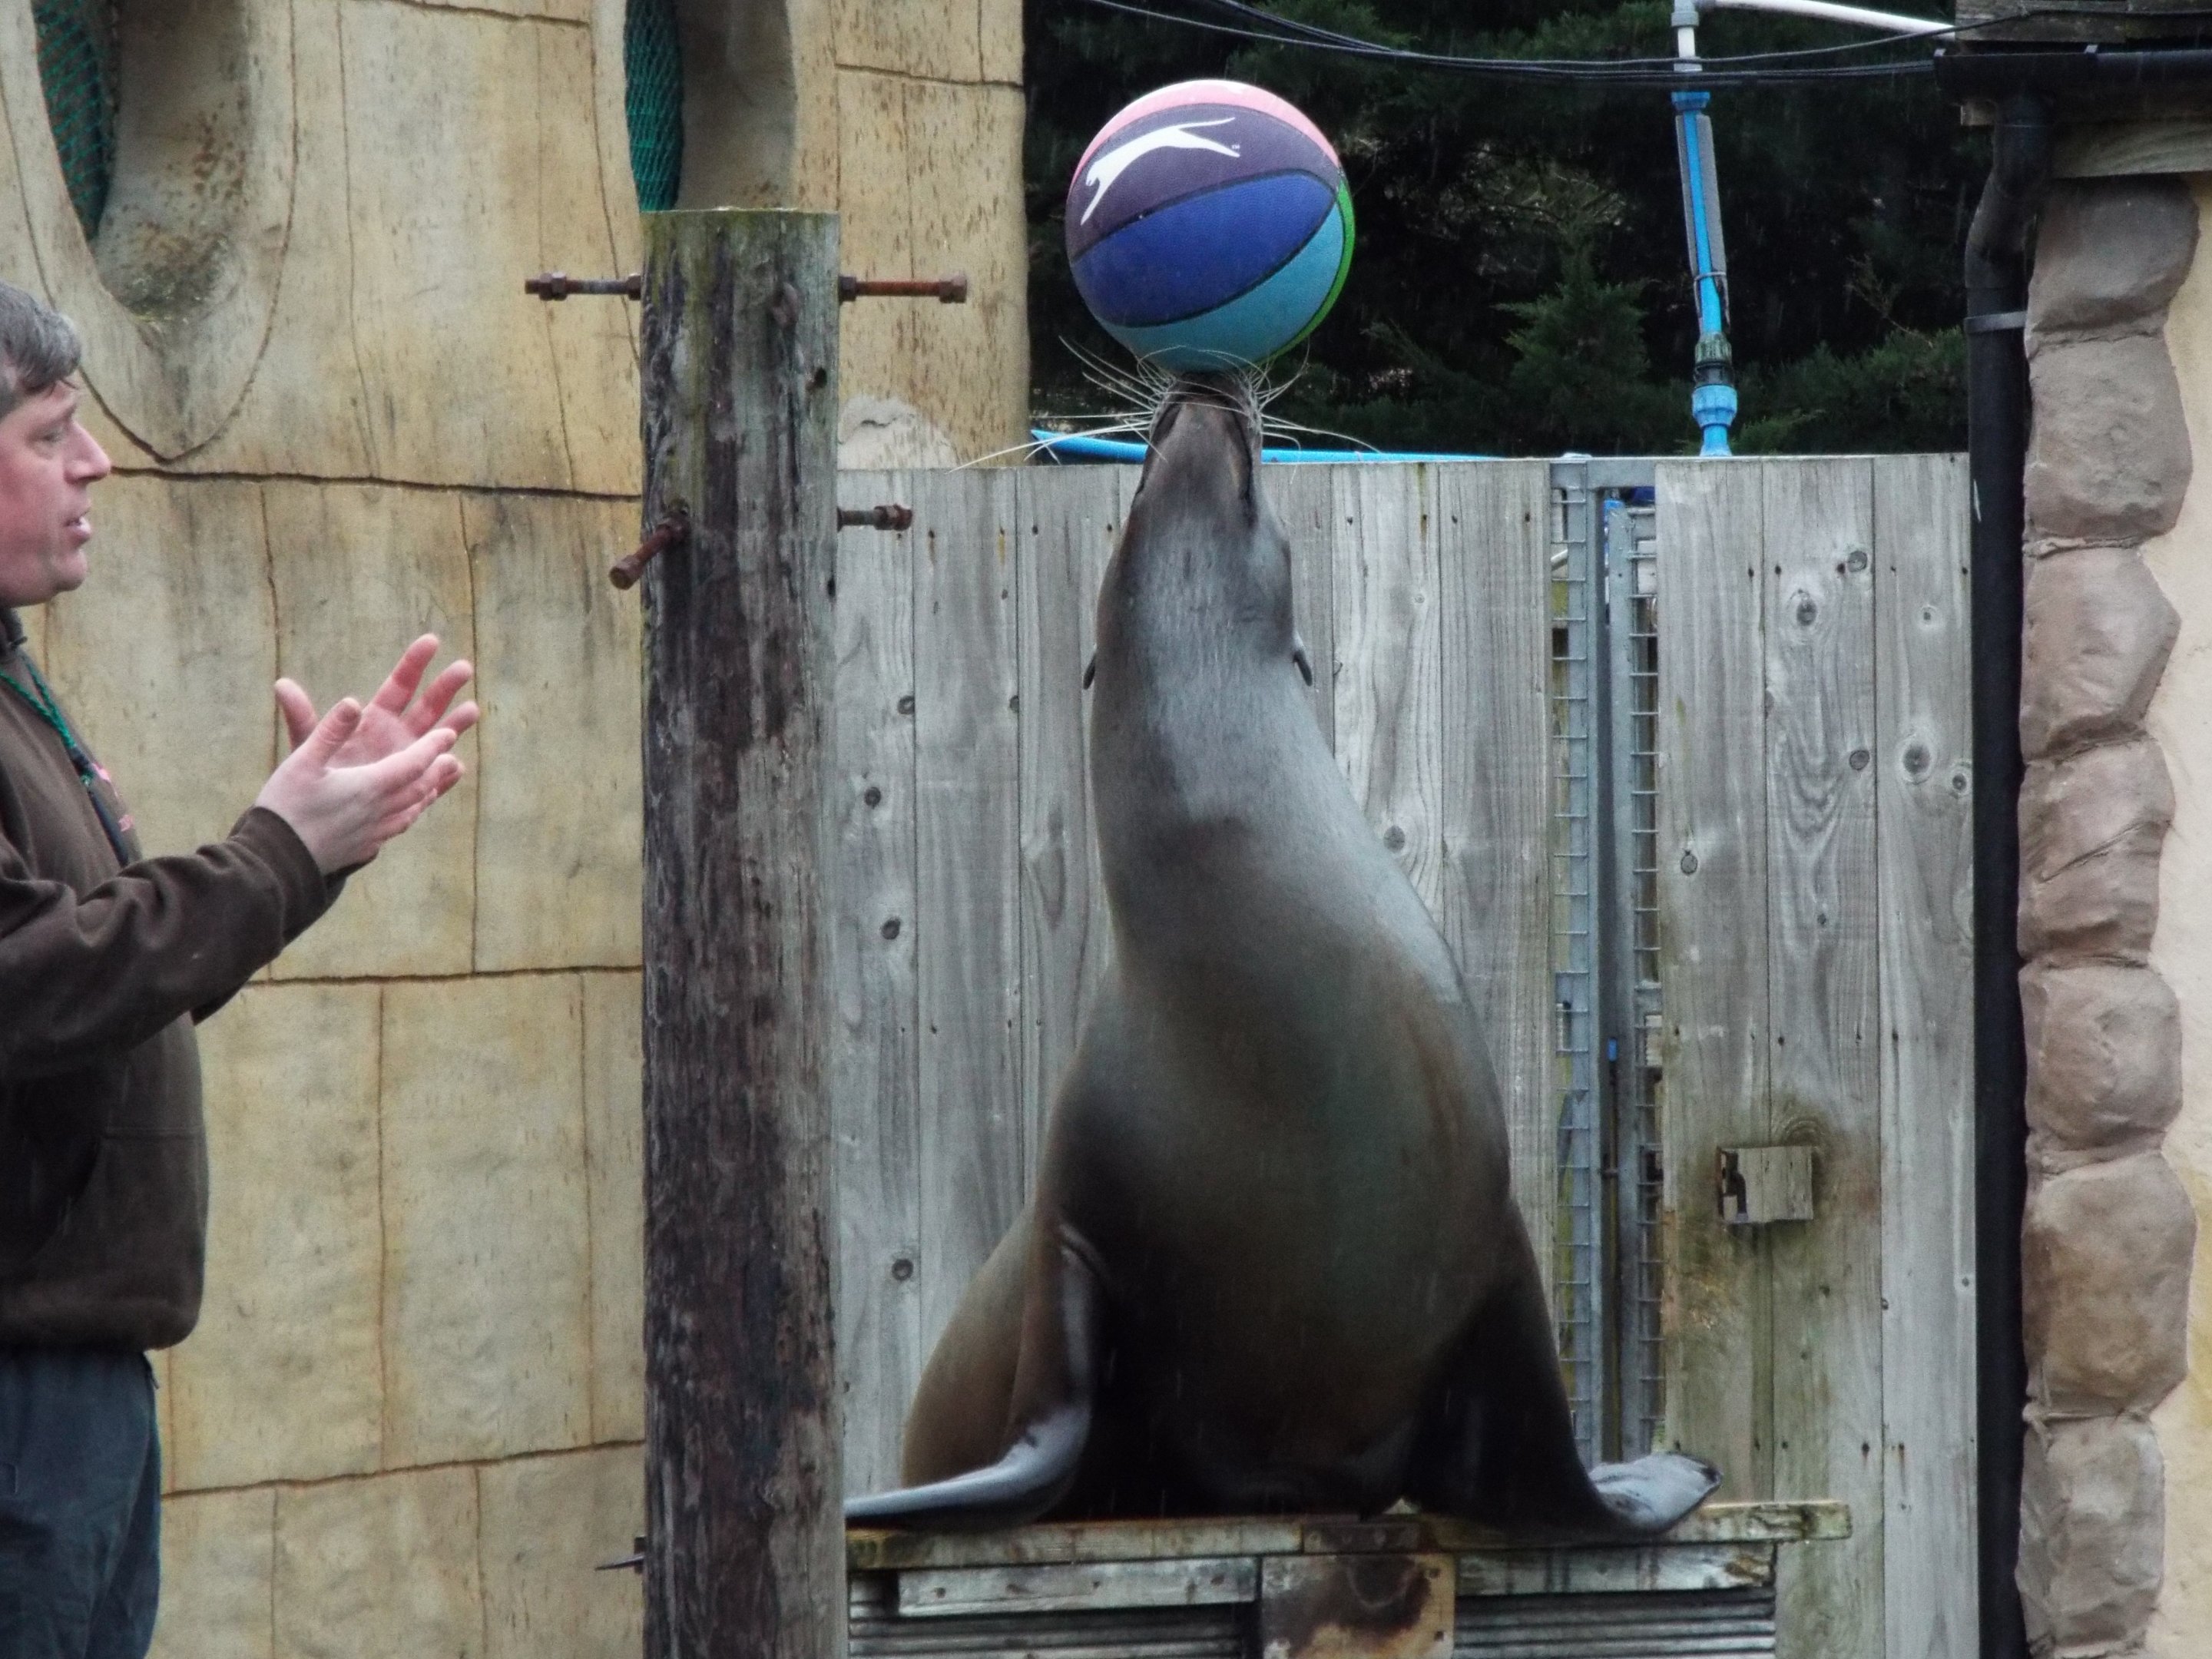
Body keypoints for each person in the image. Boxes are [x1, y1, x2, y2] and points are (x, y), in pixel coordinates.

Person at [0, 280, 476, 1657]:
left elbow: (105, 978)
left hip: (78, 1385)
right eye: (49, 434)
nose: (96, 465)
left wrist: (311, 852)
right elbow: (29, 982)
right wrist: (273, 853)